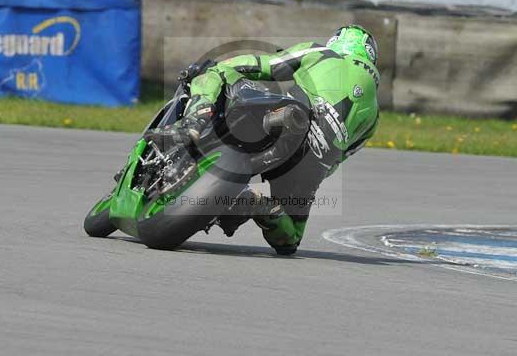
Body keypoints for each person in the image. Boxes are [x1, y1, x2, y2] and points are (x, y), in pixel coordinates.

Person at [146, 25, 380, 255]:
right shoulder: (374, 117)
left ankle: (194, 121)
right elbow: (339, 159)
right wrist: (311, 172)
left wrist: (220, 66)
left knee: (215, 73)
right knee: (290, 242)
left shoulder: (321, 53)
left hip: (288, 115)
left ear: (338, 42)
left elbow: (267, 65)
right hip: (312, 164)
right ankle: (263, 207)